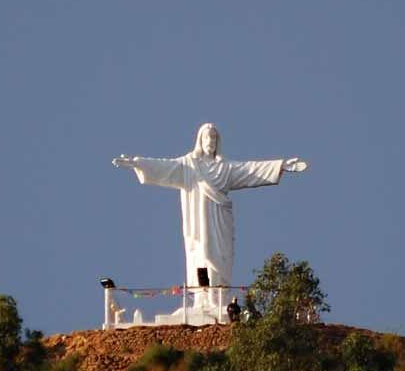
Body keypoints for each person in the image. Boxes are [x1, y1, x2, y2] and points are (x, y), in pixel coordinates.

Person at [112, 123, 307, 290]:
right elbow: (165, 167)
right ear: (200, 140)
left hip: (221, 220)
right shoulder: (189, 165)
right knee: (202, 253)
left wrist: (280, 165)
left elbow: (250, 170)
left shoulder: (225, 168)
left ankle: (218, 296)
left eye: (214, 137)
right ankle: (202, 299)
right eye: (207, 137)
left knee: (221, 258)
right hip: (199, 221)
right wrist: (138, 164)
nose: (211, 141)